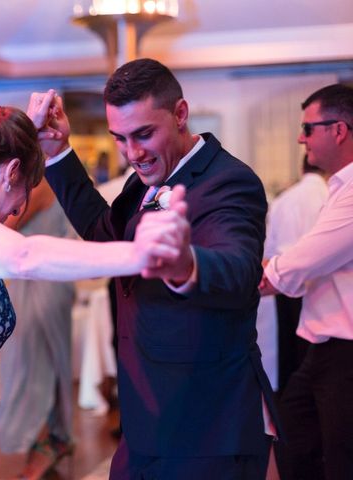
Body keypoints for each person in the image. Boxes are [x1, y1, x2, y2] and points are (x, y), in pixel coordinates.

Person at [0, 105, 190, 480]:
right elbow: (24, 255)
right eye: (22, 192)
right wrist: (139, 253)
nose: (17, 209)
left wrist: (21, 130)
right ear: (10, 172)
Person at [30, 58, 280, 480]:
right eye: (121, 138)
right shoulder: (143, 180)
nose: (133, 153)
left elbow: (239, 270)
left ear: (180, 114)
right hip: (147, 414)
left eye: (144, 134)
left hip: (207, 424)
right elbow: (103, 234)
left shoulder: (230, 181)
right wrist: (57, 154)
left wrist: (187, 265)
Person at [260, 84, 353, 480]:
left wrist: (231, 274)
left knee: (338, 463)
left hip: (345, 354)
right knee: (293, 444)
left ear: (339, 130)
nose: (301, 138)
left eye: (308, 128)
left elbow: (303, 261)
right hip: (322, 350)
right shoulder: (339, 188)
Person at [0, 179, 76, 479]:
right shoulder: (35, 183)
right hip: (36, 283)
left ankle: (48, 444)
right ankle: (52, 442)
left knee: (35, 366)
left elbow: (6, 227)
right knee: (37, 364)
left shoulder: (41, 184)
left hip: (42, 284)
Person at [263, 156, 328, 394]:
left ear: (302, 168)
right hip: (316, 290)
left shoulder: (284, 199)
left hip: (279, 282)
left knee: (288, 359)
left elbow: (269, 245)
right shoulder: (331, 196)